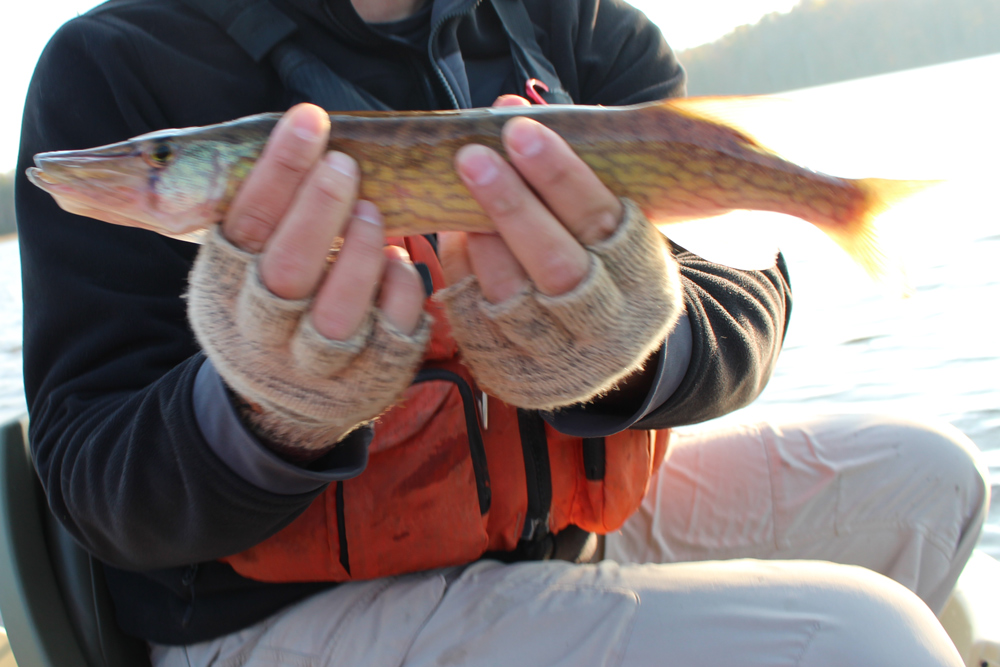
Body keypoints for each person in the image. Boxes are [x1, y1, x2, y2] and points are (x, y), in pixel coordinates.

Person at [15, 0, 989, 664]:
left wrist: (625, 339)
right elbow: (99, 490)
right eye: (159, 160)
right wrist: (275, 400)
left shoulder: (569, 23)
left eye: (152, 162)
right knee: (861, 642)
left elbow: (744, 300)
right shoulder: (118, 62)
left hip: (548, 537)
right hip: (270, 618)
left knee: (928, 482)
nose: (124, 168)